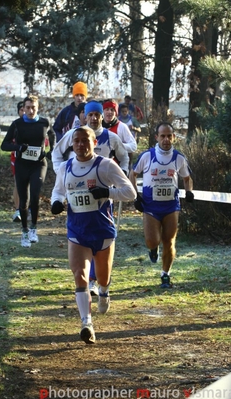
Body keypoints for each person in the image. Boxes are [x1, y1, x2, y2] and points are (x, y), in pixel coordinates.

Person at [51, 126, 136, 344]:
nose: (80, 145)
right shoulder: (65, 167)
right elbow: (59, 191)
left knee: (103, 276)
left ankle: (105, 290)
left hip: (102, 231)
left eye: (85, 140)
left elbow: (130, 192)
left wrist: (107, 192)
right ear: (72, 143)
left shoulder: (105, 165)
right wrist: (56, 202)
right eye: (76, 141)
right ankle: (86, 323)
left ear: (94, 142)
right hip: (77, 230)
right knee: (79, 274)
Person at [51, 100, 130, 296]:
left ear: (102, 116)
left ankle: (99, 281)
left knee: (100, 233)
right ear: (84, 117)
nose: (94, 118)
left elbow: (124, 156)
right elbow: (56, 154)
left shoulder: (111, 138)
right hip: (77, 187)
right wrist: (62, 173)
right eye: (90, 115)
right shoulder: (73, 135)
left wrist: (122, 175)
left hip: (102, 192)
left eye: (97, 114)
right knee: (83, 234)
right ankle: (90, 280)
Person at [129, 122, 194, 289]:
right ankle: (153, 249)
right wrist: (136, 196)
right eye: (162, 136)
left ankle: (165, 274)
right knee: (152, 241)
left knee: (169, 241)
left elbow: (187, 178)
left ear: (173, 137)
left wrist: (189, 192)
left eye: (169, 136)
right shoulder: (147, 156)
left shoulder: (179, 158)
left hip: (171, 206)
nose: (166, 139)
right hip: (151, 206)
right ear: (156, 137)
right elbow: (133, 174)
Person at [1, 95, 55, 248]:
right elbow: (4, 145)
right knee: (24, 200)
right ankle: (24, 231)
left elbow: (52, 135)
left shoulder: (44, 122)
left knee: (36, 195)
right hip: (22, 165)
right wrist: (18, 148)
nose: (31, 111)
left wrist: (52, 150)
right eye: (28, 108)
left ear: (38, 108)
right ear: (23, 109)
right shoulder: (17, 124)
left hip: (38, 164)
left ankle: (33, 229)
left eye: (34, 108)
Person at [11, 101, 24, 222]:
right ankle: (17, 210)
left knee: (30, 183)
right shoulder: (15, 125)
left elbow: (44, 141)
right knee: (17, 182)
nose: (24, 112)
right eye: (22, 110)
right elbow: (7, 142)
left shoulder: (37, 123)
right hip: (17, 157)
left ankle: (27, 208)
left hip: (32, 158)